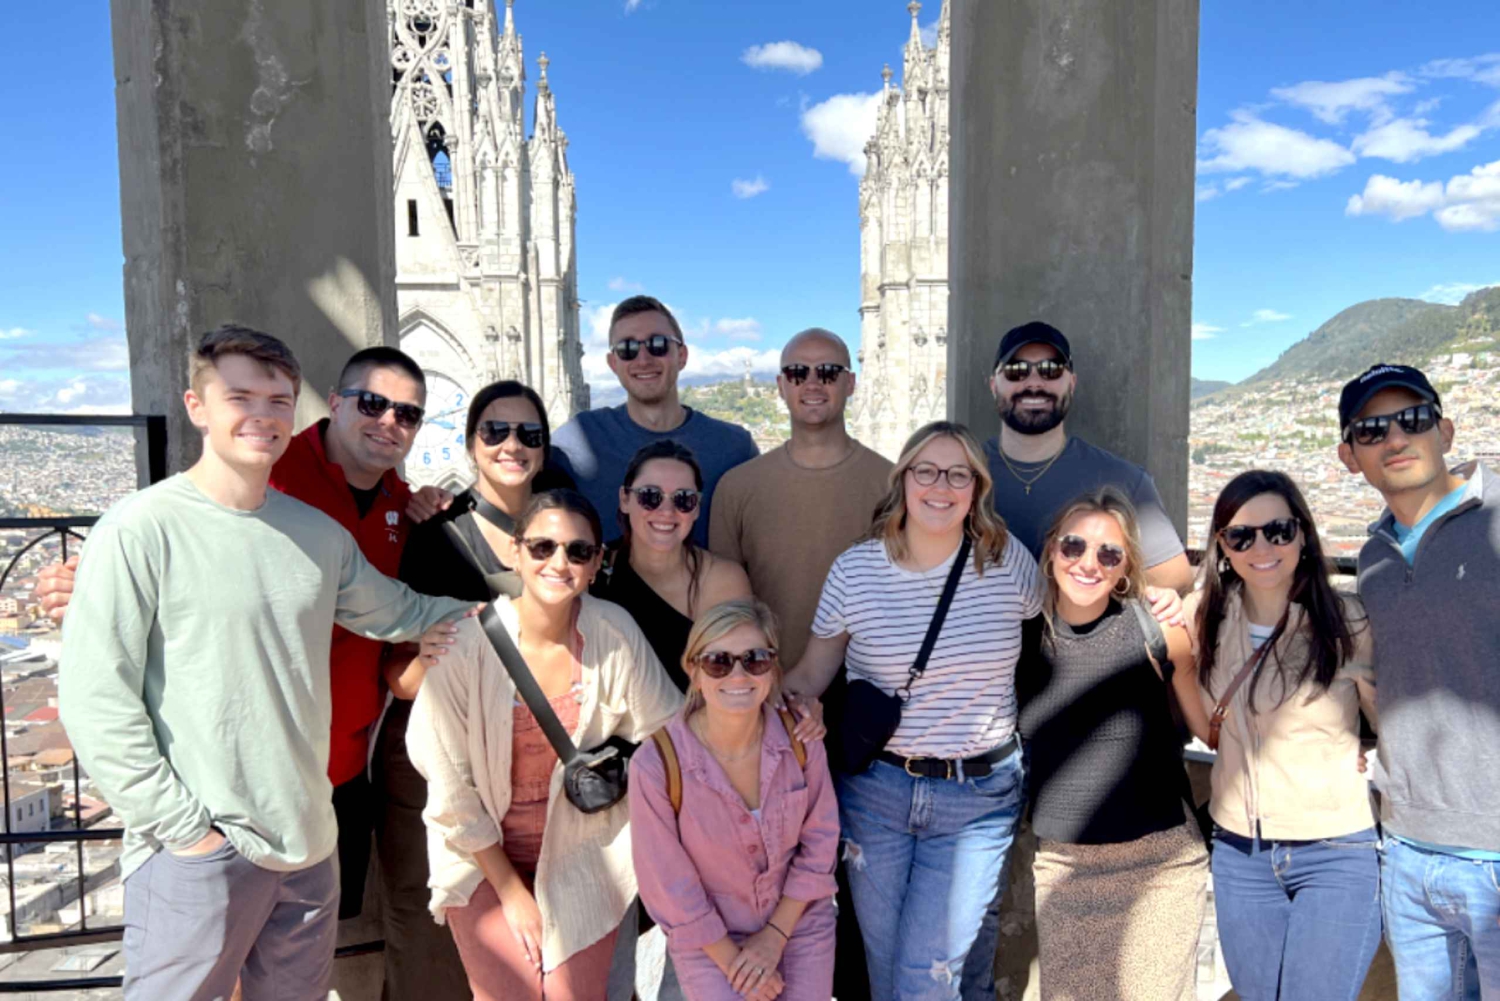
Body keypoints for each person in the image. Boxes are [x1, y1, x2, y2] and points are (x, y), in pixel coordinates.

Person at [38, 344, 471, 1001]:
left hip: (308, 837)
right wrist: (187, 833)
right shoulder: (139, 529)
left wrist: (533, 609)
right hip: (200, 843)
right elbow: (97, 701)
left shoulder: (319, 533)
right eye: (240, 397)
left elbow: (399, 611)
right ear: (198, 406)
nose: (262, 416)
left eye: (275, 401)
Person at [965, 319, 1191, 999]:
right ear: (995, 383)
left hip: (1097, 769)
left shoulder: (1118, 476)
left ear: (1071, 381)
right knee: (994, 954)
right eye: (1018, 369)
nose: (1034, 381)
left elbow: (1173, 569)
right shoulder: (963, 471)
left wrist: (1160, 604)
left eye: (1049, 367)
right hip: (984, 745)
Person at [785, 421, 1041, 1001]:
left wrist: (1161, 606)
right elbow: (810, 675)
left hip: (977, 798)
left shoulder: (1008, 564)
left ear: (976, 488)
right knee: (894, 968)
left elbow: (1074, 618)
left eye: (958, 474)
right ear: (903, 481)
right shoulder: (855, 570)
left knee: (923, 978)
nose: (940, 486)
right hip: (877, 793)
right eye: (926, 470)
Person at [406, 489, 684, 1001]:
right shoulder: (465, 644)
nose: (560, 563)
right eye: (543, 547)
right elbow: (448, 786)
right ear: (515, 551)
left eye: (578, 551)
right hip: (482, 855)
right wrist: (512, 893)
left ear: (597, 562)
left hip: (583, 850)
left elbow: (669, 731)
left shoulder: (611, 632)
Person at [708, 326, 891, 1001]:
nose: (813, 381)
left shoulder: (890, 480)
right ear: (780, 384)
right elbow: (727, 603)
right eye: (798, 370)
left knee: (862, 874)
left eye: (828, 369)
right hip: (765, 701)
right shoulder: (740, 486)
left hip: (869, 704)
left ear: (850, 380)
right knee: (776, 869)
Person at [383, 378, 575, 1000]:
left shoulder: (567, 533)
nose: (511, 444)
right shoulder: (436, 531)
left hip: (539, 760)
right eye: (494, 431)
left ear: (545, 448)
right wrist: (434, 665)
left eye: (529, 434)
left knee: (541, 925)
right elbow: (398, 671)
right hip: (446, 759)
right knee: (434, 914)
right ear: (469, 443)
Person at [1334, 363, 1500, 1000]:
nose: (1396, 438)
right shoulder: (1375, 556)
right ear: (1350, 457)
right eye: (1372, 429)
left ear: (1446, 429)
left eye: (1414, 419)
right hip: (1406, 851)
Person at [1183, 469, 1379, 1001]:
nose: (1261, 547)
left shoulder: (1347, 622)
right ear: (1222, 546)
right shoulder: (1202, 619)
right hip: (1239, 854)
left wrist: (1371, 754)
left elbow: (1391, 718)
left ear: (1302, 534)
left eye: (1278, 530)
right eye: (1241, 536)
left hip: (1335, 850)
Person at [1016, 488, 1205, 1001]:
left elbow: (1210, 728)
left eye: (1109, 553)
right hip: (1063, 869)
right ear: (1052, 549)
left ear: (1124, 569)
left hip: (1161, 865)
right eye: (1074, 546)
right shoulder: (1018, 638)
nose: (1088, 563)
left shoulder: (1157, 628)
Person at [630, 599, 839, 1001]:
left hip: (797, 924)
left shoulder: (801, 741)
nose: (739, 675)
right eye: (719, 662)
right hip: (710, 939)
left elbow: (820, 841)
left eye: (755, 659)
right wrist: (737, 965)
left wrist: (775, 937)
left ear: (773, 667)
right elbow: (668, 882)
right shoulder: (657, 766)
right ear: (693, 670)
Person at [551, 296, 758, 548]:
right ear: (613, 363)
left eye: (658, 344)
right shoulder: (578, 439)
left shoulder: (735, 447)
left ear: (682, 355)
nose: (643, 359)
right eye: (627, 349)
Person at [592, 440, 752, 687]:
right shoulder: (594, 569)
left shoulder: (722, 581)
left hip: (694, 722)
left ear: (696, 508)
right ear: (624, 499)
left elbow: (739, 677)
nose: (667, 511)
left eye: (683, 499)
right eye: (650, 496)